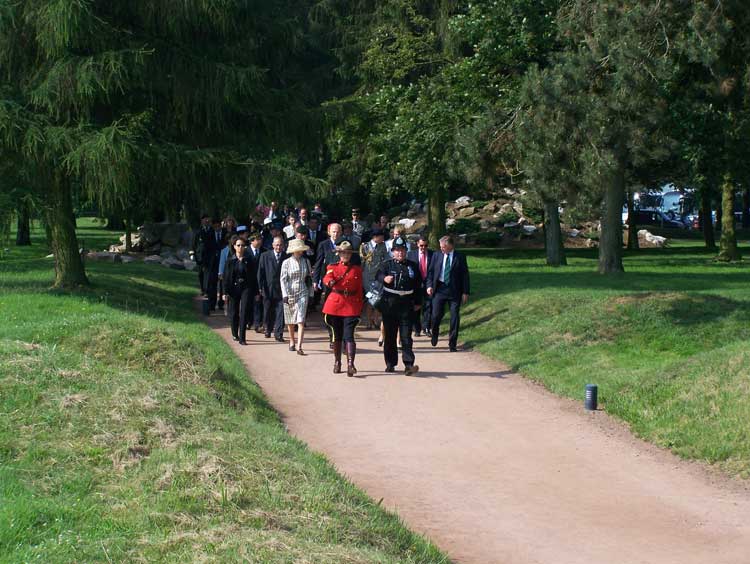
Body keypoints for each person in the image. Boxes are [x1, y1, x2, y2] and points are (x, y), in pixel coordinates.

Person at [377, 236, 422, 375]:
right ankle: (390, 363)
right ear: (393, 251)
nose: (400, 253)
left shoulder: (413, 266)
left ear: (406, 251)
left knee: (406, 337)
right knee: (390, 336)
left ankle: (409, 364)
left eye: (402, 250)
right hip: (390, 304)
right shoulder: (387, 264)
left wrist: (418, 302)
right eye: (397, 250)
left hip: (406, 304)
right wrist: (384, 278)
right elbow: (377, 275)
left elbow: (418, 285)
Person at [323, 241, 364, 376]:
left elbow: (359, 289)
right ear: (339, 254)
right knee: (337, 335)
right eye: (343, 253)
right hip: (335, 304)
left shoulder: (357, 269)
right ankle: (337, 362)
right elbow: (327, 278)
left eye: (347, 253)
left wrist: (359, 306)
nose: (345, 255)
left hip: (351, 305)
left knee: (349, 336)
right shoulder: (332, 267)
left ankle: (350, 364)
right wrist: (330, 282)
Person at [426, 235, 470, 352]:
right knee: (435, 316)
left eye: (443, 247)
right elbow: (430, 273)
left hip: (454, 291)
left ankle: (452, 343)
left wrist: (465, 292)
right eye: (440, 247)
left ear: (450, 246)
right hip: (439, 290)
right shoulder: (436, 255)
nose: (441, 249)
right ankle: (434, 333)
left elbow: (465, 275)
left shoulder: (459, 257)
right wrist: (429, 286)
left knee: (455, 317)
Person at [280, 239, 315, 355]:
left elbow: (309, 278)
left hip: (303, 291)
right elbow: (283, 280)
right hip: (290, 292)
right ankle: (291, 340)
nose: (300, 252)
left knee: (300, 319)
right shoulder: (286, 263)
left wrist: (311, 294)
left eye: (301, 250)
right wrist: (284, 294)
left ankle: (299, 346)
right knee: (290, 320)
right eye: (298, 250)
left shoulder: (306, 262)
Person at [222, 235, 258, 345]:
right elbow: (226, 278)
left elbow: (253, 277)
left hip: (246, 287)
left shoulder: (249, 260)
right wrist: (225, 292)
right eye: (238, 245)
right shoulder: (230, 261)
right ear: (234, 246)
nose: (241, 247)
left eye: (243, 245)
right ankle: (235, 333)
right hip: (233, 288)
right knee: (234, 312)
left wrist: (256, 292)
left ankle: (242, 337)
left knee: (244, 311)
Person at [257, 236, 286, 342]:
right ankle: (268, 329)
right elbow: (260, 272)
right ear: (273, 245)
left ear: (283, 245)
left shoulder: (286, 257)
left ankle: (279, 334)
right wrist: (260, 287)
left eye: (280, 245)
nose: (278, 247)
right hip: (268, 289)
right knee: (268, 311)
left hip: (281, 290)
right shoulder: (265, 256)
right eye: (277, 245)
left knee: (281, 312)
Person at [360, 227, 388, 332]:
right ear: (375, 237)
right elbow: (362, 261)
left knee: (378, 298)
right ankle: (368, 321)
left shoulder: (382, 246)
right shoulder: (365, 246)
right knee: (370, 299)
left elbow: (385, 258)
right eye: (381, 236)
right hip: (367, 277)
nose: (383, 238)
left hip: (378, 277)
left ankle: (375, 320)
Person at [407, 235, 434, 337]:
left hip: (428, 284)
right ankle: (417, 328)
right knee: (416, 307)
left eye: (426, 246)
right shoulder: (411, 255)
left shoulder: (432, 254)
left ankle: (426, 327)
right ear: (417, 244)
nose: (423, 248)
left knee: (428, 306)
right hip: (415, 285)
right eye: (421, 245)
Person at [205, 218, 226, 312]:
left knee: (222, 284)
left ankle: (221, 303)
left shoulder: (225, 234)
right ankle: (212, 304)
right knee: (212, 284)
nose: (217, 228)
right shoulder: (209, 234)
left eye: (219, 226)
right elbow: (206, 249)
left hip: (223, 262)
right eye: (215, 226)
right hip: (213, 263)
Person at [247, 233, 265, 333]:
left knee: (258, 303)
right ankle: (249, 321)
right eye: (257, 240)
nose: (259, 242)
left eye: (260, 239)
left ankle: (257, 324)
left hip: (259, 281)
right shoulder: (246, 251)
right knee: (248, 303)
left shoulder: (264, 251)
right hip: (248, 281)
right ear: (252, 241)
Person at [192, 214, 212, 295]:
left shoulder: (211, 231)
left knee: (207, 273)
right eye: (204, 219)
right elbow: (194, 243)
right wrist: (192, 253)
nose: (206, 221)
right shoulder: (198, 231)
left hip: (209, 256)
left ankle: (206, 290)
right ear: (202, 221)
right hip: (200, 256)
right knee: (200, 273)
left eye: (207, 219)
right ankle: (202, 288)